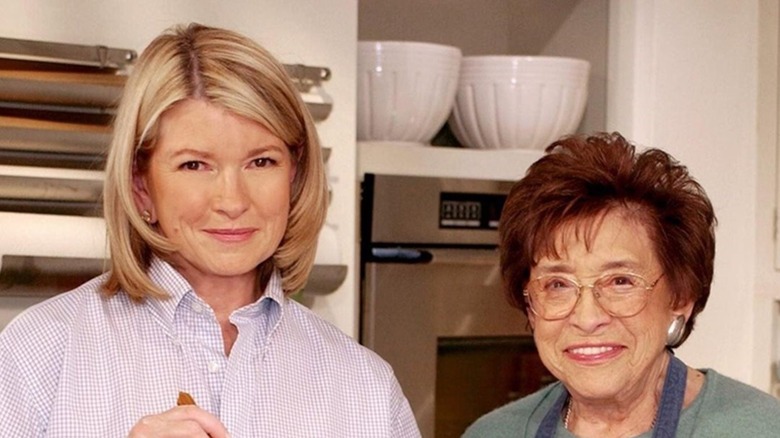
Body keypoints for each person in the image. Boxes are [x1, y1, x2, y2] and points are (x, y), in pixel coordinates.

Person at [0, 23, 420, 437]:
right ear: (141, 186)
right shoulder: (37, 355)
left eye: (261, 162)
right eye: (194, 165)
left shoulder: (367, 391)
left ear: (294, 177)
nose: (233, 201)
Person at [464, 132, 780, 437]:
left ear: (681, 297)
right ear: (530, 307)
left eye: (620, 281)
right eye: (558, 284)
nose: (587, 319)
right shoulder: (493, 433)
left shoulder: (759, 428)